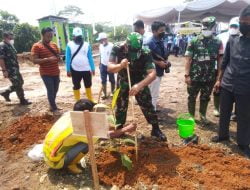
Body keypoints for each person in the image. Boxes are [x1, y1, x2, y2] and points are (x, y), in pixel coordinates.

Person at [108, 32, 167, 141]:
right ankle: (119, 129)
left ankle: (155, 129)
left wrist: (139, 86)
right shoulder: (117, 48)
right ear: (126, 45)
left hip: (140, 80)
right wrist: (120, 65)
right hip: (123, 80)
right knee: (120, 106)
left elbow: (152, 74)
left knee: (147, 105)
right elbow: (110, 68)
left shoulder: (145, 52)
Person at [211, 5, 250, 158]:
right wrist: (218, 80)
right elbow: (224, 62)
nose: (243, 25)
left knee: (244, 116)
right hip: (227, 83)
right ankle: (222, 135)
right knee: (224, 112)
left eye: (247, 22)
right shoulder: (232, 40)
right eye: (241, 22)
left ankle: (243, 143)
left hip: (246, 87)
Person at [185, 16, 223, 125]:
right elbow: (188, 59)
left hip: (209, 76)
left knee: (205, 97)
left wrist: (218, 77)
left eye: (209, 27)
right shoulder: (194, 41)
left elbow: (220, 61)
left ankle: (202, 116)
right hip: (195, 76)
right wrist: (187, 75)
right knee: (192, 97)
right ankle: (191, 116)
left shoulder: (218, 42)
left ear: (213, 27)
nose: (207, 29)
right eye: (205, 26)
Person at [43, 99, 95, 174]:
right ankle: (70, 164)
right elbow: (96, 138)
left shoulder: (67, 115)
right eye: (92, 111)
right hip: (55, 163)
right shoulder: (78, 129)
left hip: (47, 155)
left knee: (77, 141)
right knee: (87, 144)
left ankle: (69, 158)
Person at [214, 17, 240, 117]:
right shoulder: (221, 36)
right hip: (221, 67)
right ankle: (218, 108)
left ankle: (236, 113)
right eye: (232, 25)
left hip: (235, 70)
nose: (234, 28)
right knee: (219, 88)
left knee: (237, 91)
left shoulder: (243, 37)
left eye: (236, 26)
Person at [31, 27, 61, 112]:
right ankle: (54, 107)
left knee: (55, 90)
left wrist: (59, 58)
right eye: (48, 36)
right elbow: (34, 61)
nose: (50, 37)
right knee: (50, 90)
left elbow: (58, 56)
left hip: (56, 72)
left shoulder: (54, 45)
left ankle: (52, 105)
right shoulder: (36, 46)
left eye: (51, 36)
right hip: (46, 73)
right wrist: (47, 59)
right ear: (42, 35)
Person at [0, 32, 31, 105]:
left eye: (12, 38)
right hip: (9, 69)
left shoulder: (10, 45)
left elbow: (14, 55)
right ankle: (22, 100)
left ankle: (6, 92)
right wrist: (4, 70)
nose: (12, 39)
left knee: (21, 82)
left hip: (15, 68)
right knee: (17, 84)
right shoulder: (2, 46)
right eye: (10, 38)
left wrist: (24, 55)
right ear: (5, 37)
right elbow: (1, 59)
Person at [65, 27, 95, 102]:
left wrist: (93, 68)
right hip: (75, 69)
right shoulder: (69, 45)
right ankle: (77, 101)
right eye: (77, 36)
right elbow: (68, 58)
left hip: (86, 69)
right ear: (73, 36)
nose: (79, 38)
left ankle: (90, 100)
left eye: (80, 36)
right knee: (76, 85)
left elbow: (90, 57)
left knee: (88, 85)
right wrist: (68, 70)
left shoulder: (86, 45)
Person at [148, 21, 170, 112]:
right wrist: (158, 63)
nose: (163, 32)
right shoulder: (150, 42)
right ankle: (152, 112)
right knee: (154, 93)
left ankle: (153, 108)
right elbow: (146, 57)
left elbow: (163, 54)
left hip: (160, 70)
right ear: (154, 31)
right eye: (161, 30)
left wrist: (166, 61)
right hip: (153, 71)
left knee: (154, 91)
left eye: (164, 30)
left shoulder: (161, 41)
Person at [96, 32, 115, 99]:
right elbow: (101, 55)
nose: (100, 42)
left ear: (104, 39)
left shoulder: (111, 46)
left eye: (100, 40)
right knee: (103, 80)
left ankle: (113, 92)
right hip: (103, 65)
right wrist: (100, 63)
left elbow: (114, 56)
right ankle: (104, 94)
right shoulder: (100, 46)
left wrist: (114, 64)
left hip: (110, 65)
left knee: (112, 79)